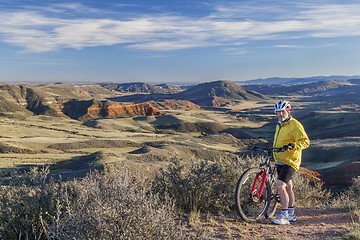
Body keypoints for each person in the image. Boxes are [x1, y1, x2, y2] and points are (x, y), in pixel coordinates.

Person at [271, 100, 310, 225]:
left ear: (288, 110)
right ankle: (291, 215)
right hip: (280, 160)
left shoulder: (295, 124)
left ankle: (284, 216)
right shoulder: (279, 124)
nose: (281, 114)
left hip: (291, 160)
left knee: (280, 185)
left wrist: (292, 146)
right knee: (288, 187)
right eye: (278, 112)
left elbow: (305, 141)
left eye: (283, 111)